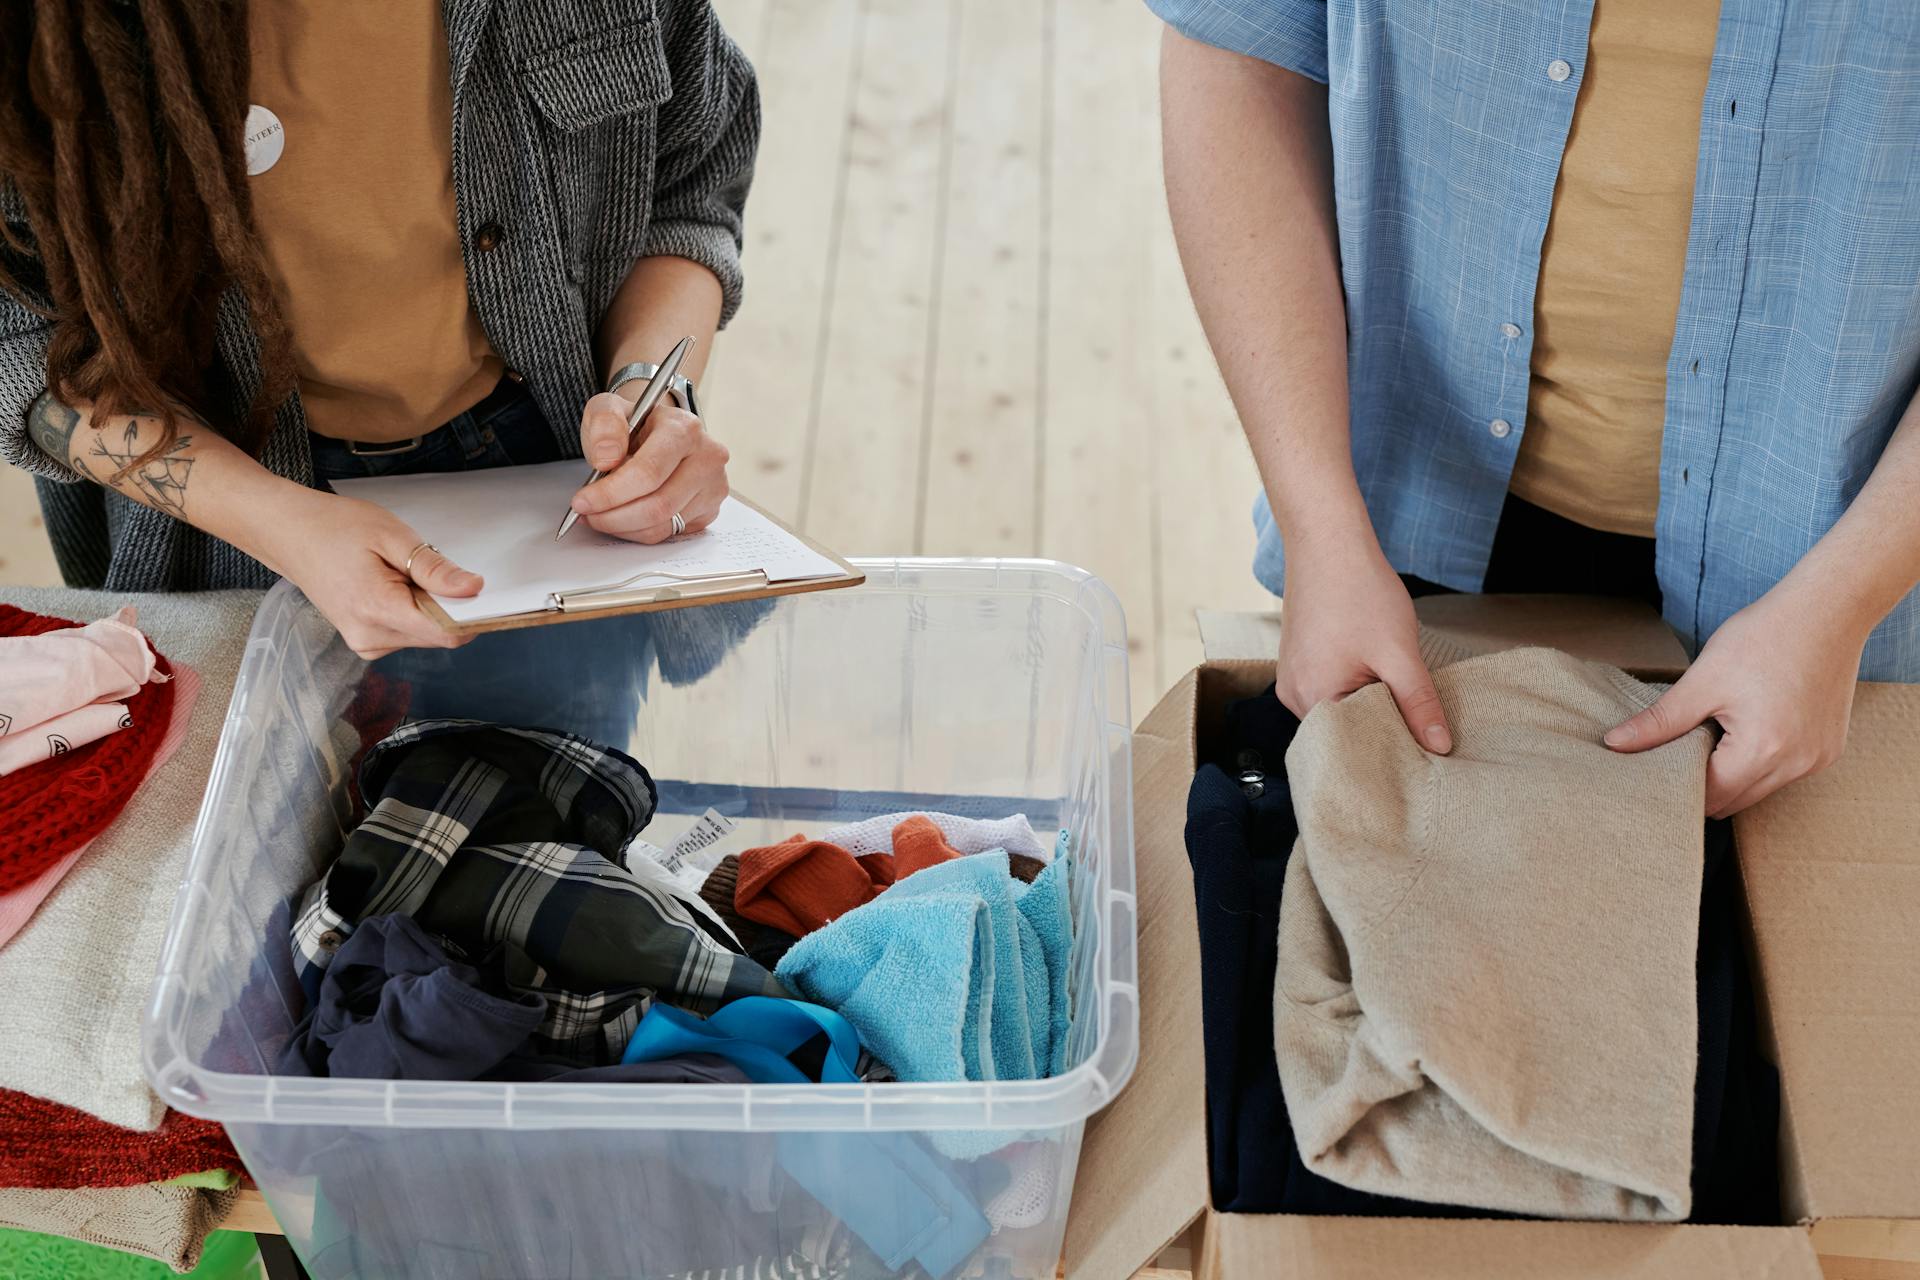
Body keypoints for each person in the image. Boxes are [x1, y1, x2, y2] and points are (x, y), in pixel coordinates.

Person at [1151, 0, 1920, 816]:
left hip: (1843, 546)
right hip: (1402, 492)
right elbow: (1237, 47)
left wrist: (1845, 600)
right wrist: (1320, 528)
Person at [0, 0, 753, 661]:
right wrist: (277, 523)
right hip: (212, 511)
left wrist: (649, 392)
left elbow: (690, 183)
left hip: (550, 477)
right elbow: (21, 344)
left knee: (565, 798)